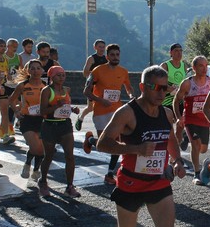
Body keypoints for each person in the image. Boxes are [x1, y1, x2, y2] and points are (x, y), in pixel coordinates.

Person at [96, 65, 186, 227]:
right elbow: (102, 143)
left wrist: (177, 160)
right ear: (143, 87)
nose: (161, 92)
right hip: (131, 183)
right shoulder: (127, 113)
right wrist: (135, 149)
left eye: (165, 88)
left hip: (158, 183)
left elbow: (170, 139)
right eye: (156, 87)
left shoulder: (166, 113)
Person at [82, 44, 134, 185]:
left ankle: (110, 174)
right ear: (107, 56)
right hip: (100, 111)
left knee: (116, 143)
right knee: (103, 145)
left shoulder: (123, 71)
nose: (115, 57)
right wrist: (100, 100)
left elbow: (128, 87)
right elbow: (86, 92)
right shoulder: (97, 71)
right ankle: (91, 140)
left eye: (117, 54)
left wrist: (131, 96)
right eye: (112, 55)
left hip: (117, 111)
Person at [38, 66, 81, 197]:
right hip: (50, 125)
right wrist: (57, 105)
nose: (61, 77)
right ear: (52, 77)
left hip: (65, 125)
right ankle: (43, 181)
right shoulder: (46, 91)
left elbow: (66, 106)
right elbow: (42, 111)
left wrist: (73, 109)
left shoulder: (66, 89)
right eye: (58, 75)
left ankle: (69, 186)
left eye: (63, 75)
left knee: (70, 156)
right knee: (49, 155)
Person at [173, 55, 210, 185]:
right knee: (196, 145)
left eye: (206, 65)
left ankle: (186, 136)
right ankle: (197, 174)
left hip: (204, 119)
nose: (204, 68)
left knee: (203, 149)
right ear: (194, 67)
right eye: (201, 66)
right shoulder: (187, 83)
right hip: (190, 119)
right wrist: (179, 117)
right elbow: (176, 101)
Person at [8, 59, 45, 180]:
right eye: (32, 68)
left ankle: (35, 169)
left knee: (40, 149)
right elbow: (11, 100)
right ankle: (28, 163)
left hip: (42, 119)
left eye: (38, 68)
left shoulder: (45, 85)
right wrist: (17, 112)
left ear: (42, 70)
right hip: (27, 119)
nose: (35, 71)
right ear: (28, 70)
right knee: (35, 147)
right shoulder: (23, 85)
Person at [74, 39, 107, 131]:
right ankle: (80, 118)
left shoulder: (106, 59)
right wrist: (96, 74)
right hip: (91, 85)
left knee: (103, 106)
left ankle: (102, 125)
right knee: (90, 107)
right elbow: (85, 73)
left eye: (103, 47)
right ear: (95, 47)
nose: (102, 49)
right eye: (100, 47)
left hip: (102, 86)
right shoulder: (91, 58)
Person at [159, 43, 188, 151]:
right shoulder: (165, 66)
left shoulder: (184, 66)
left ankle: (177, 147)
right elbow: (158, 83)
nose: (179, 53)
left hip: (180, 101)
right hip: (167, 101)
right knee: (168, 128)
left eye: (180, 51)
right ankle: (168, 150)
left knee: (180, 126)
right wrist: (169, 88)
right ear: (170, 53)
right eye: (176, 51)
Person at [0, 38, 15, 145]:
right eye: (1, 46)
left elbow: (6, 71)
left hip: (2, 88)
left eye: (4, 46)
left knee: (4, 111)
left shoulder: (5, 59)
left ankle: (5, 135)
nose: (3, 48)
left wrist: (8, 75)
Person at [3, 38, 21, 136]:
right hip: (6, 85)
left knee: (18, 104)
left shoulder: (18, 57)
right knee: (8, 106)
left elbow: (21, 69)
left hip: (16, 84)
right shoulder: (3, 57)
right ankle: (8, 128)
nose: (15, 49)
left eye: (16, 47)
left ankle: (14, 122)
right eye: (13, 46)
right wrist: (6, 74)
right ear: (8, 46)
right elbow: (1, 68)